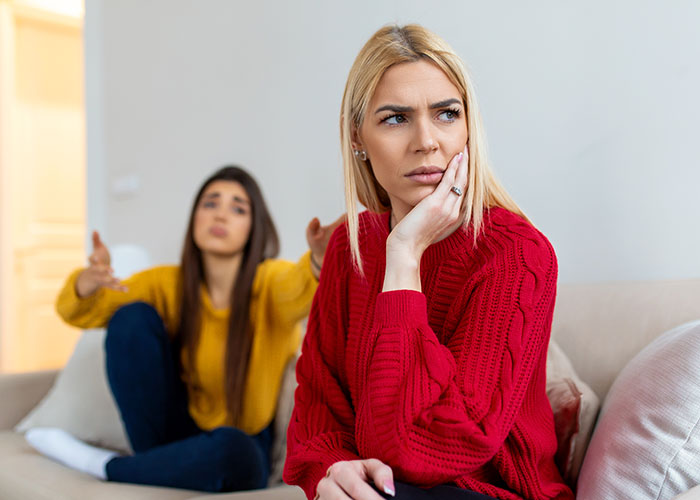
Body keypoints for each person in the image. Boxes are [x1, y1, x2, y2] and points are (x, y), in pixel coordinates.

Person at [283, 25, 574, 500]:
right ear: (358, 137)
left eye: (445, 114)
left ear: (468, 127)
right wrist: (331, 472)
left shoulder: (517, 253)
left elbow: (430, 447)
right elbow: (317, 413)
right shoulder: (349, 247)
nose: (426, 141)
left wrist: (403, 258)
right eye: (395, 118)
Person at [26, 165, 342, 493]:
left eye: (237, 208)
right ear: (194, 218)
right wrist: (86, 283)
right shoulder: (166, 284)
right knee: (131, 318)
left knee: (236, 452)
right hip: (170, 432)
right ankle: (156, 463)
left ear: (254, 227)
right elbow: (83, 313)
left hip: (239, 444)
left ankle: (102, 465)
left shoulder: (269, 283)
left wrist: (319, 261)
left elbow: (299, 285)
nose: (220, 215)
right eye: (210, 203)